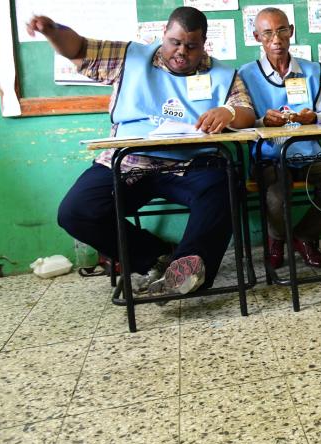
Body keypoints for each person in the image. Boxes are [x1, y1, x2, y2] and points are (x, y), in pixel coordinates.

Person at [41, 6, 256, 297]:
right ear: (163, 34)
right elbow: (78, 49)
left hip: (191, 164)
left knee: (227, 184)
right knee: (76, 211)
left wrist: (228, 112)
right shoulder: (129, 57)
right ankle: (155, 257)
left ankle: (187, 271)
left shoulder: (223, 74)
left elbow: (246, 111)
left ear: (204, 43)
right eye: (175, 42)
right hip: (128, 160)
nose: (181, 52)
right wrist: (53, 32)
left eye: (191, 46)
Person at [239, 7, 321, 269]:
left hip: (308, 152)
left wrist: (314, 117)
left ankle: (304, 236)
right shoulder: (245, 74)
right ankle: (276, 239)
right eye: (267, 33)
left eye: (282, 31)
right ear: (257, 37)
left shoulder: (310, 70)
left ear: (291, 32)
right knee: (277, 194)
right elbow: (243, 123)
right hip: (269, 156)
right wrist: (263, 121)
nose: (276, 39)